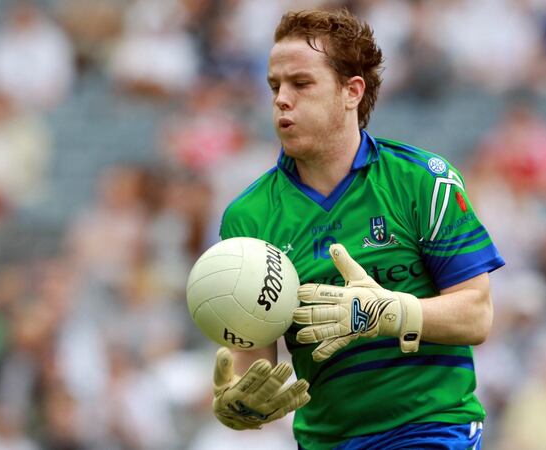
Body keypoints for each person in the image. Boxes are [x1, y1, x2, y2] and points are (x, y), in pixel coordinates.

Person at [214, 8, 505, 449]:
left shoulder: (422, 180)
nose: (281, 99)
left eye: (301, 83)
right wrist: (243, 402)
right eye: (275, 86)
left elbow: (476, 313)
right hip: (326, 441)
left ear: (352, 91)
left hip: (432, 428)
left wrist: (387, 313)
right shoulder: (248, 217)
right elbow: (256, 360)